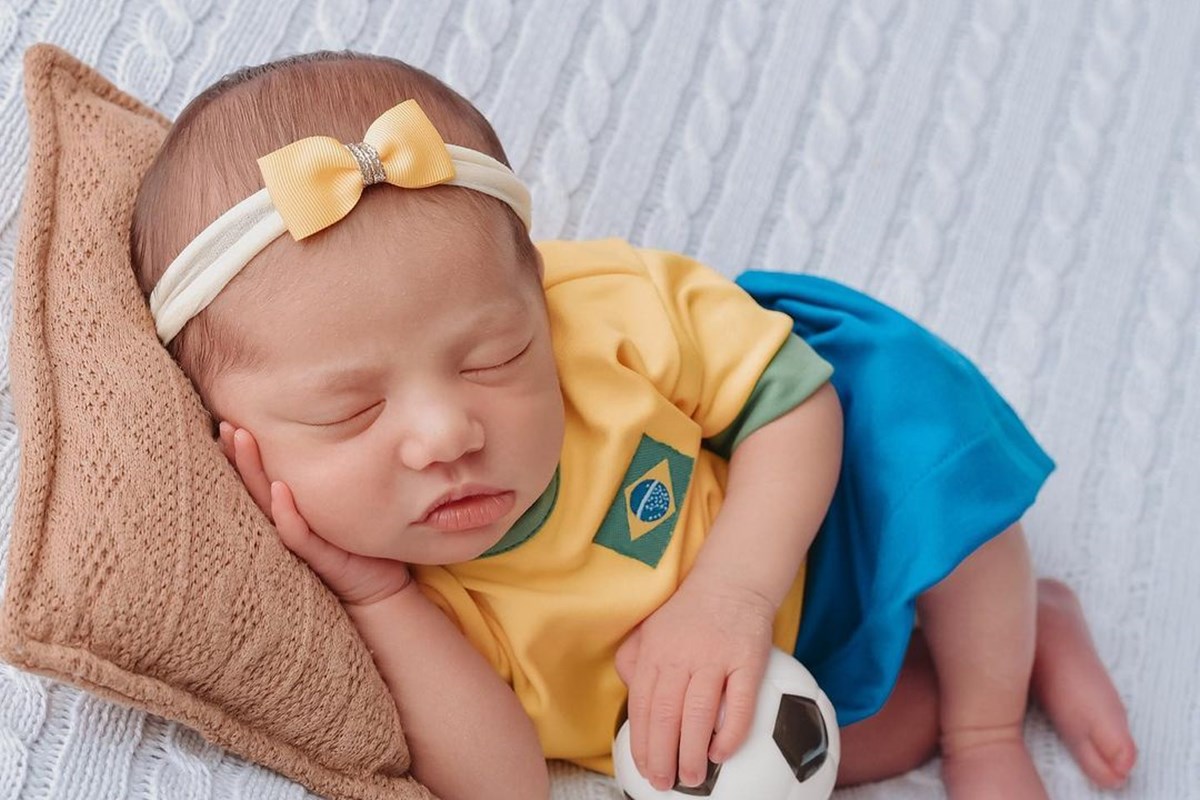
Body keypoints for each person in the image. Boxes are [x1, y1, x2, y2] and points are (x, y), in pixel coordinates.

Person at [130, 50, 1136, 800]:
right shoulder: (394, 588)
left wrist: (732, 592)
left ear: (539, 292)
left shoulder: (600, 309)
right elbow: (506, 783)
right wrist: (379, 596)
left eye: (492, 357)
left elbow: (790, 397)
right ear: (238, 444)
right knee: (845, 748)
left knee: (943, 477)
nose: (445, 430)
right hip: (755, 690)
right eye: (349, 408)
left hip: (809, 521)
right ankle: (1028, 635)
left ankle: (988, 717)